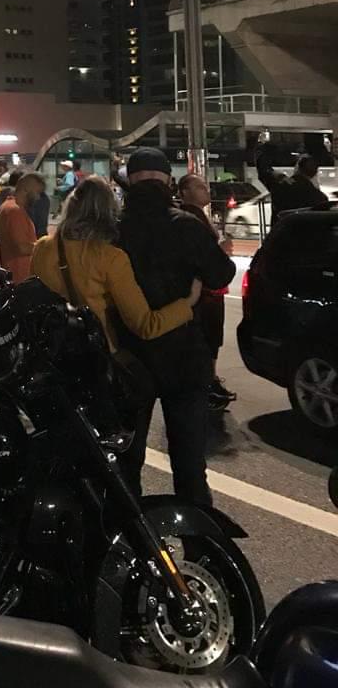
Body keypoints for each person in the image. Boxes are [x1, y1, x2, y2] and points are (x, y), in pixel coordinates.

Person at [117, 149, 236, 506]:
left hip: (129, 356)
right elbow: (221, 274)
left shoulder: (113, 227)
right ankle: (201, 549)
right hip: (185, 355)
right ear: (167, 180)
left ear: (130, 180)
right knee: (188, 461)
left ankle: (127, 546)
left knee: (127, 458)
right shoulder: (184, 224)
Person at [33, 175, 198, 350]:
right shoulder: (110, 258)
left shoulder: (42, 247)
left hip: (51, 351)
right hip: (92, 354)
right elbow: (145, 325)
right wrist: (188, 303)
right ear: (108, 212)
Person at [178, 173, 237, 411]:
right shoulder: (189, 218)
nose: (206, 190)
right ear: (184, 192)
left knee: (212, 337)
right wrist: (220, 250)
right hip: (205, 291)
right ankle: (207, 383)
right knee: (208, 337)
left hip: (211, 289)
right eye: (199, 187)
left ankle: (210, 380)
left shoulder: (199, 216)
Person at [256, 145, 330, 224]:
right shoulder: (320, 198)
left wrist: (262, 146)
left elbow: (263, 170)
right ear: (315, 173)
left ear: (297, 168)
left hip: (282, 233)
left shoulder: (281, 185)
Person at [0, 171, 45, 282]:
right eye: (37, 192)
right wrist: (46, 246)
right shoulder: (15, 211)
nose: (38, 197)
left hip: (14, 275)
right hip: (20, 276)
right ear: (26, 189)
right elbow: (22, 248)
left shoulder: (6, 207)